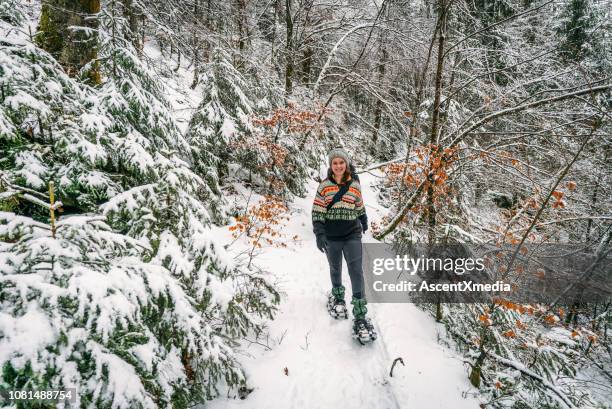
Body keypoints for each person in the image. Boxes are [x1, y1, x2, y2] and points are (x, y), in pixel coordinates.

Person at [312, 147, 375, 339]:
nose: (338, 166)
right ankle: (338, 297)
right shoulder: (324, 186)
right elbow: (317, 211)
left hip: (352, 234)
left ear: (346, 164)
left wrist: (363, 221)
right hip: (331, 236)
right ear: (331, 166)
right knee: (335, 268)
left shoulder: (355, 184)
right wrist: (319, 233)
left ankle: (360, 313)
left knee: (356, 271)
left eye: (341, 162)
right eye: (335, 163)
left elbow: (359, 205)